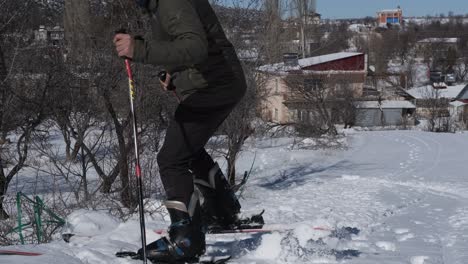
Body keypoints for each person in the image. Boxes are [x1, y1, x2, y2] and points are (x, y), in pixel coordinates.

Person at [113, 0, 246, 262]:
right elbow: (188, 45)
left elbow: (195, 47)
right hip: (219, 82)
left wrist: (138, 49)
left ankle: (187, 240)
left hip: (216, 85)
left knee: (171, 159)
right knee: (188, 148)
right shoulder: (159, 5)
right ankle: (222, 208)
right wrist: (176, 76)